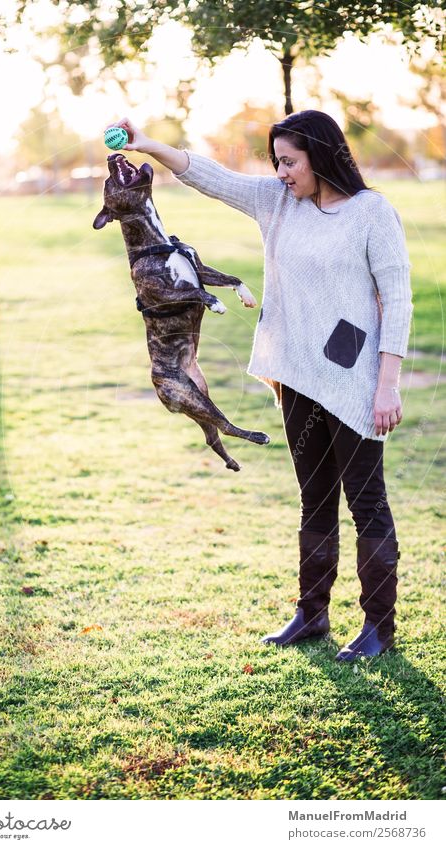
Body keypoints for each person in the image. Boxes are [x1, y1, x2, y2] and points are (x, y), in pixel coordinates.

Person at [105, 110, 413, 661]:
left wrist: (387, 384)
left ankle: (378, 629)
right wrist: (149, 145)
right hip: (296, 378)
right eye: (277, 162)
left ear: (321, 155)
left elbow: (398, 301)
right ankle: (312, 615)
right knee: (313, 500)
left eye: (290, 161)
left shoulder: (371, 213)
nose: (281, 172)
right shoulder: (278, 203)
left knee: (367, 504)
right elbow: (210, 175)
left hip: (357, 381)